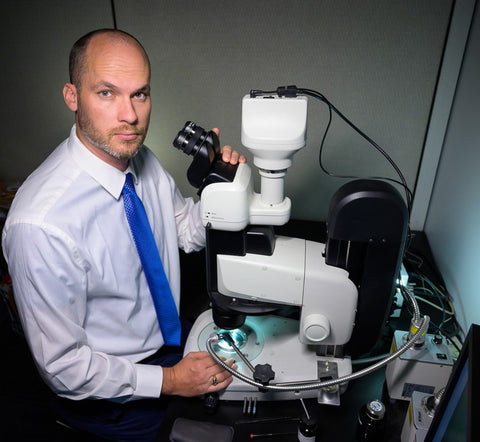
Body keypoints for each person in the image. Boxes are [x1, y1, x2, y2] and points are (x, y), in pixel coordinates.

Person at [2, 28, 245, 441]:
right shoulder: (40, 224)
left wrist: (222, 193)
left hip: (171, 341)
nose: (130, 116)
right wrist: (169, 381)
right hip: (111, 402)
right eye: (107, 93)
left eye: (140, 94)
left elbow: (185, 228)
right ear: (72, 96)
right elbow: (65, 369)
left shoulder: (136, 156)